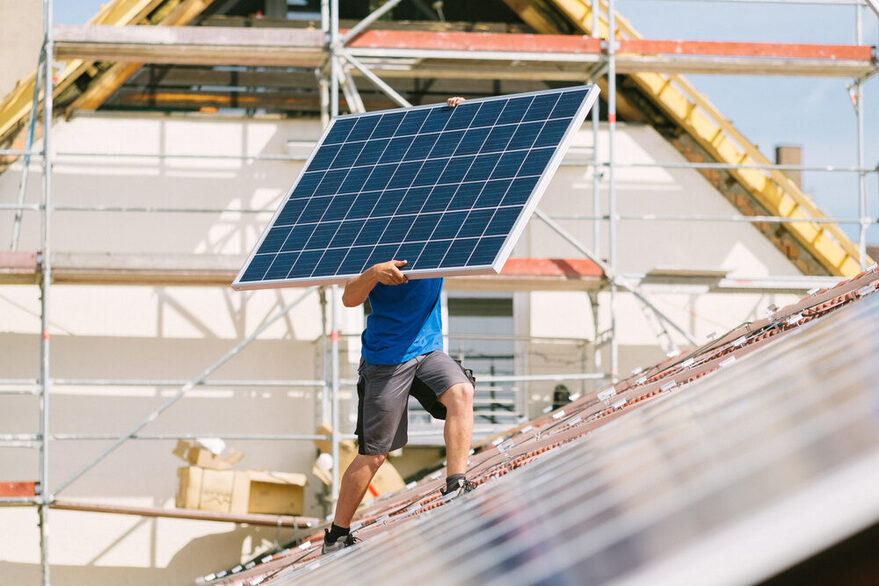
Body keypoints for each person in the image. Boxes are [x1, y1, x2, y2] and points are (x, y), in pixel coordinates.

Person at [322, 96, 475, 554]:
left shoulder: (444, 224)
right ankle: (337, 533)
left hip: (427, 350)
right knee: (374, 454)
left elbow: (475, 171)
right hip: (386, 359)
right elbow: (350, 298)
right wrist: (373, 273)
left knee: (461, 393)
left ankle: (456, 483)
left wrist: (459, 120)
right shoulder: (371, 233)